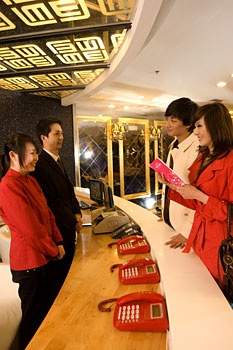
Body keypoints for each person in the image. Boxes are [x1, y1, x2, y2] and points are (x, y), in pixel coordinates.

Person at [0, 133, 65, 350]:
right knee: (33, 320)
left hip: (42, 259)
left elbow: (48, 214)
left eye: (36, 152)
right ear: (13, 155)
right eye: (32, 153)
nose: (36, 157)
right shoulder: (8, 186)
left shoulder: (31, 180)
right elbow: (30, 230)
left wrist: (58, 241)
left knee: (45, 316)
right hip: (29, 263)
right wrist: (52, 249)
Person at [159, 102, 233, 281]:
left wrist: (200, 196)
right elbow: (198, 203)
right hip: (201, 238)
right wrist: (173, 187)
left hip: (220, 242)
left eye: (199, 126)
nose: (195, 132)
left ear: (215, 126)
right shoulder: (205, 158)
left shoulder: (230, 162)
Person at [32, 118, 82, 302]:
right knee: (59, 282)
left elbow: (69, 191)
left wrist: (77, 213)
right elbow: (52, 202)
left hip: (68, 226)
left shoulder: (58, 160)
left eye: (61, 133)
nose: (61, 137)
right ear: (43, 137)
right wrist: (72, 220)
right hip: (58, 232)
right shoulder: (41, 165)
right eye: (56, 133)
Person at [162, 97, 199, 248]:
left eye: (173, 120)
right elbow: (175, 182)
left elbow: (198, 193)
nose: (168, 125)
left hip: (187, 228)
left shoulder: (197, 147)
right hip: (172, 220)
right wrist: (166, 212)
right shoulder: (173, 144)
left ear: (189, 123)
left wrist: (187, 231)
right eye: (167, 119)